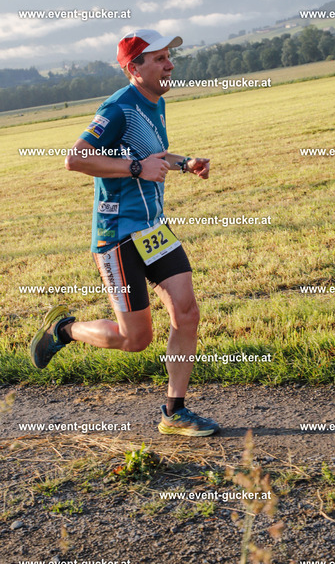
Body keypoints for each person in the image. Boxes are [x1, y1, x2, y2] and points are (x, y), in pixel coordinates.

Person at [30, 29, 220, 437]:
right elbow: (76, 159)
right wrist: (136, 169)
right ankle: (64, 330)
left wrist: (185, 163)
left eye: (169, 57)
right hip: (117, 236)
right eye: (159, 59)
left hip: (153, 229)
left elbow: (153, 155)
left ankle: (174, 413)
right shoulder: (117, 108)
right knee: (135, 339)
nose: (170, 65)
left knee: (186, 313)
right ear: (134, 68)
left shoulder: (156, 102)